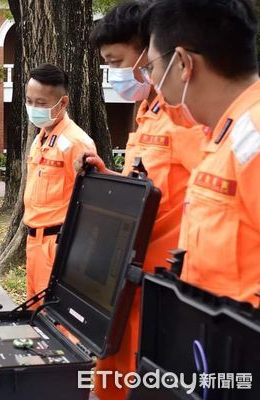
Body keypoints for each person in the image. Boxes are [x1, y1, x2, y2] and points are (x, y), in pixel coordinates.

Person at [84, 2, 207, 398]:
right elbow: (149, 182)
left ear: (149, 50)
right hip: (128, 277)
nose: (115, 73)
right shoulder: (149, 107)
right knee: (112, 376)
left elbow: (203, 191)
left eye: (117, 61)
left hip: (160, 284)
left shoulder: (183, 114)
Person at [139, 0, 260, 307]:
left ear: (182, 63)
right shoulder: (223, 132)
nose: (151, 81)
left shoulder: (253, 138)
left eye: (151, 67)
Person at [23, 64, 97, 301]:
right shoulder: (41, 138)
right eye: (29, 100)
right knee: (34, 314)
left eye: (41, 103)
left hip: (57, 245)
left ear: (62, 103)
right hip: (34, 243)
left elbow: (90, 203)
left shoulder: (77, 142)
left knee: (54, 321)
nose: (33, 108)